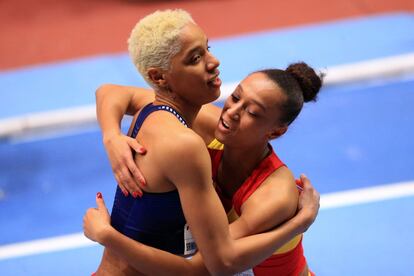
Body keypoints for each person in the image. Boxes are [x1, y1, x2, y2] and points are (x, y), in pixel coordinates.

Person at [85, 9, 320, 276]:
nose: (231, 111)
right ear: (159, 78)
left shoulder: (273, 194)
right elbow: (110, 91)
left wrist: (299, 222)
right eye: (235, 97)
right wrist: (111, 137)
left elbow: (215, 262)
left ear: (276, 133)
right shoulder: (208, 128)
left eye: (252, 113)